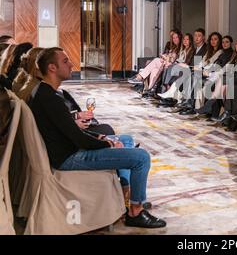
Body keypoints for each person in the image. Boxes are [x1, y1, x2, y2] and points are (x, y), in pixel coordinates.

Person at [30, 47, 166, 229]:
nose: (71, 64)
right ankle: (136, 211)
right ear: (52, 68)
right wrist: (107, 143)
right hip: (70, 157)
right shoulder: (50, 99)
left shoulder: (46, 93)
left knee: (125, 139)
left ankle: (124, 197)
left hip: (70, 149)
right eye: (65, 61)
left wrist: (101, 135)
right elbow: (78, 139)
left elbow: (70, 130)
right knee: (141, 158)